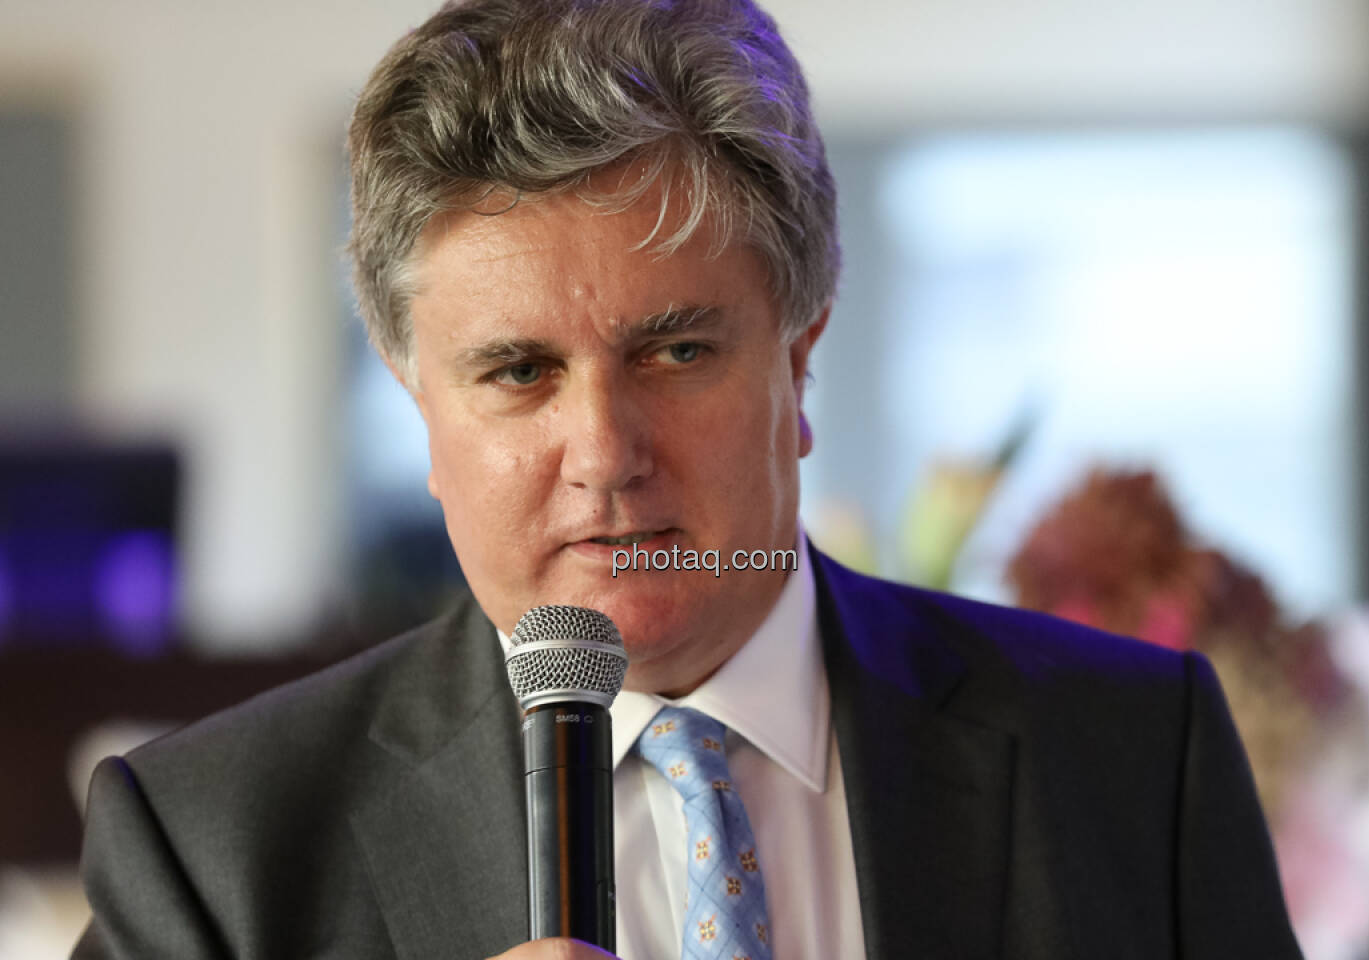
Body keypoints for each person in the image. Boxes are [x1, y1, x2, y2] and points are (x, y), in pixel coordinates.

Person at [70, 1, 1303, 958]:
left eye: (676, 352)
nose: (605, 453)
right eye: (518, 372)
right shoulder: (210, 848)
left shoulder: (1135, 756)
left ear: (800, 360)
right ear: (420, 406)